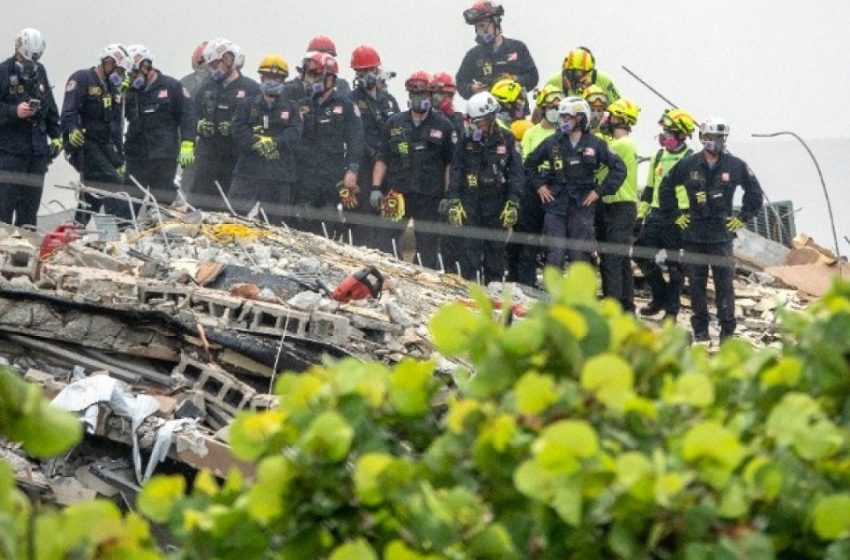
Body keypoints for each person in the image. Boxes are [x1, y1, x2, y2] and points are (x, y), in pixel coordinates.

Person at [659, 116, 763, 343]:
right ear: (702, 138)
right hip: (693, 234)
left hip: (721, 236)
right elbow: (666, 187)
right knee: (696, 284)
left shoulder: (735, 165)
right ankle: (701, 330)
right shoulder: (688, 164)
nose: (715, 141)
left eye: (719, 138)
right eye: (710, 137)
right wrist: (677, 215)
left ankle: (727, 331)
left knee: (724, 285)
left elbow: (755, 193)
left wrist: (742, 217)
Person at [524, 96, 625, 268]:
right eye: (561, 116)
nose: (562, 121)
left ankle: (578, 293)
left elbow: (619, 168)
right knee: (554, 253)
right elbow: (529, 164)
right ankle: (551, 293)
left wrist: (599, 192)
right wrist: (539, 186)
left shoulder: (596, 143)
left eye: (566, 117)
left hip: (582, 204)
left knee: (579, 255)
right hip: (555, 203)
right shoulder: (553, 141)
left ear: (580, 118)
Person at [372, 71, 454, 269]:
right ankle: (391, 275)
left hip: (430, 197)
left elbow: (450, 163)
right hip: (398, 195)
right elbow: (383, 157)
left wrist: (448, 195)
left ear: (430, 96)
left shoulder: (444, 125)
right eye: (413, 94)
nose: (418, 99)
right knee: (385, 243)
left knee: (428, 248)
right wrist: (375, 187)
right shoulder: (394, 123)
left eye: (423, 95)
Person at [445, 91, 523, 283]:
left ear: (490, 118)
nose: (472, 125)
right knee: (469, 250)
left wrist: (513, 201)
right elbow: (456, 170)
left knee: (495, 251)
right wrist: (453, 200)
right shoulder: (465, 141)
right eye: (470, 120)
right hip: (470, 202)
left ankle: (494, 292)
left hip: (497, 203)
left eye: (477, 121)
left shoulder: (508, 139)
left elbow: (516, 173)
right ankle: (469, 291)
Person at [633, 108, 695, 321]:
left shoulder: (691, 159)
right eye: (664, 131)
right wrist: (640, 216)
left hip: (679, 217)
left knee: (675, 266)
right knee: (640, 252)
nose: (664, 135)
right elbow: (649, 189)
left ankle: (672, 311)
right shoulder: (658, 156)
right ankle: (659, 296)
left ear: (681, 134)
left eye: (669, 131)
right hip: (657, 215)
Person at [293, 52, 364, 236]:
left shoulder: (347, 105)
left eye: (317, 75)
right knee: (303, 224)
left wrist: (352, 170)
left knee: (329, 223)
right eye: (311, 75)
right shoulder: (302, 105)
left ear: (330, 77)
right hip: (306, 176)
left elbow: (356, 140)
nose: (312, 79)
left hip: (333, 177)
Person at [61, 44, 132, 222]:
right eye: (120, 70)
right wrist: (71, 129)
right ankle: (116, 232)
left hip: (105, 147)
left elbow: (115, 124)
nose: (121, 75)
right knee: (113, 186)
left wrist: (119, 157)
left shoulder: (111, 87)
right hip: (84, 145)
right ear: (108, 63)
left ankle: (77, 229)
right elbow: (69, 111)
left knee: (92, 193)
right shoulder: (83, 78)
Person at [228, 54, 302, 223]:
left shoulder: (292, 108)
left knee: (275, 223)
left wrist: (275, 143)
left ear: (284, 80)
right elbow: (238, 129)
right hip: (248, 171)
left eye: (277, 78)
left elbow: (295, 132)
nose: (272, 81)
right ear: (261, 77)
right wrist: (255, 143)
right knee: (235, 215)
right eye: (268, 77)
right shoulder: (247, 105)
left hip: (279, 174)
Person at [188, 38, 260, 211]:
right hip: (208, 156)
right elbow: (192, 116)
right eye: (210, 65)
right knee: (198, 205)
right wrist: (200, 125)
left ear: (228, 60)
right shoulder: (206, 87)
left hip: (236, 158)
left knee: (231, 209)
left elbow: (259, 124)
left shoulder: (251, 89)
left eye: (215, 64)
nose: (213, 69)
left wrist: (237, 130)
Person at [0, 28, 61, 227]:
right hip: (11, 153)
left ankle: (24, 252)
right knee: (5, 206)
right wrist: (14, 111)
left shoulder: (40, 71)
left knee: (29, 208)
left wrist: (56, 135)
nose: (30, 63)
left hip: (37, 153)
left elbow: (50, 105)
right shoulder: (3, 71)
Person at [505, 84, 563, 286]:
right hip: (532, 191)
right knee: (525, 241)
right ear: (543, 108)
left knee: (550, 245)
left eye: (558, 106)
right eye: (551, 106)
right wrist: (537, 185)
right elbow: (526, 164)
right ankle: (521, 282)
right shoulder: (531, 133)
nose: (555, 110)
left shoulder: (563, 134)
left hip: (555, 193)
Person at [123, 45, 195, 207]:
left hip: (164, 155)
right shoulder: (129, 90)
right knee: (129, 201)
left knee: (162, 201)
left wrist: (187, 144)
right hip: (136, 155)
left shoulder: (172, 86)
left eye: (135, 72)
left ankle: (159, 228)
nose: (133, 77)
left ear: (146, 66)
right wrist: (122, 93)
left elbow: (187, 116)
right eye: (130, 73)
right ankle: (126, 230)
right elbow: (118, 117)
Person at [348, 45, 399, 247]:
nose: (366, 75)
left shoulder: (390, 101)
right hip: (365, 168)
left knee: (389, 219)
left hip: (388, 169)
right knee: (365, 218)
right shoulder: (350, 100)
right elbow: (355, 135)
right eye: (361, 71)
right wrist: (374, 154)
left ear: (377, 70)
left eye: (370, 70)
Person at [595, 98, 641, 312]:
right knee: (620, 259)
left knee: (612, 258)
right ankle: (626, 305)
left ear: (620, 118)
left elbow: (600, 160)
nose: (607, 118)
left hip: (618, 206)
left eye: (611, 115)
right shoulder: (624, 144)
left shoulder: (620, 145)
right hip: (621, 206)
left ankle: (614, 304)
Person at [455, 1, 538, 101]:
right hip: (487, 112)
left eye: (482, 25)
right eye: (476, 27)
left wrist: (514, 79)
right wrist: (472, 88)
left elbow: (533, 77)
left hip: (516, 110)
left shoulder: (518, 48)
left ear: (496, 21)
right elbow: (460, 82)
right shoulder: (473, 55)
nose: (479, 31)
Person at [545, 47, 620, 101]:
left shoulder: (603, 81)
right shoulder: (553, 83)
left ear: (589, 72)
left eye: (578, 73)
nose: (573, 78)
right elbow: (539, 111)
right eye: (569, 73)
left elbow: (618, 103)